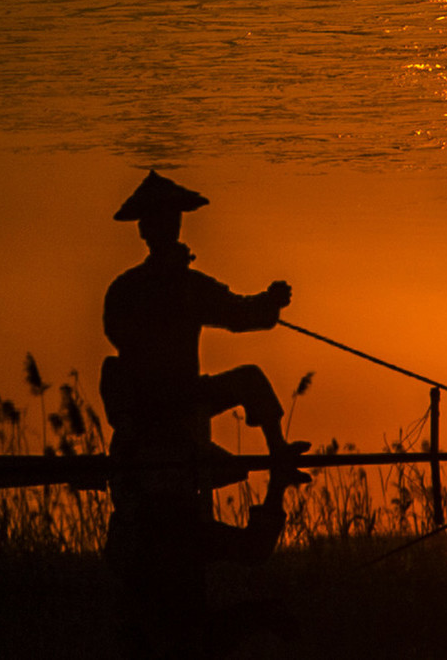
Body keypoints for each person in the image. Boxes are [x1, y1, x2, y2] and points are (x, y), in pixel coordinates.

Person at [99, 169, 309, 657]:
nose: (168, 227)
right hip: (174, 402)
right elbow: (241, 315)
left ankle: (278, 456)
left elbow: (242, 313)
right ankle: (277, 456)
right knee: (250, 379)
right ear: (157, 229)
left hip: (170, 403)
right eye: (165, 220)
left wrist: (268, 304)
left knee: (250, 379)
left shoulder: (135, 288)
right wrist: (269, 304)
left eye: (168, 219)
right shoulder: (171, 287)